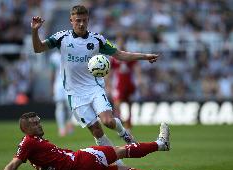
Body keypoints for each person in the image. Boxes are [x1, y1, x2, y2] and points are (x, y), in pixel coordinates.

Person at [31, 5, 159, 160]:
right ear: (71, 20)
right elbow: (38, 48)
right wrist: (35, 31)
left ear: (88, 20)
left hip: (94, 88)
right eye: (78, 20)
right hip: (75, 93)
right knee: (97, 131)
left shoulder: (97, 40)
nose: (81, 24)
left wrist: (145, 56)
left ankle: (123, 133)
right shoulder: (62, 37)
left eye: (84, 20)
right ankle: (115, 161)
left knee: (108, 121)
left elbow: (119, 54)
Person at [0, 112, 183, 170]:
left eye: (38, 121)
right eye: (34, 124)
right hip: (80, 163)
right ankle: (160, 144)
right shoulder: (28, 142)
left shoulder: (35, 143)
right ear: (26, 129)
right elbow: (15, 162)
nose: (39, 125)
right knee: (121, 151)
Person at [107, 35, 142, 131]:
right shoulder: (114, 57)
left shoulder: (129, 55)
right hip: (119, 84)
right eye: (119, 42)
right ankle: (121, 123)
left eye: (122, 42)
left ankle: (128, 126)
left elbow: (136, 67)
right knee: (117, 104)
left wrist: (139, 78)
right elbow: (110, 72)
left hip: (129, 83)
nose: (120, 44)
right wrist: (108, 84)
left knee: (129, 104)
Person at [50, 51, 74, 137]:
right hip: (58, 84)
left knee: (70, 106)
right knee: (59, 105)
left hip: (70, 83)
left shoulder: (71, 53)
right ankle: (61, 128)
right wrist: (51, 85)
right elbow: (52, 72)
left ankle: (69, 125)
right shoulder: (54, 56)